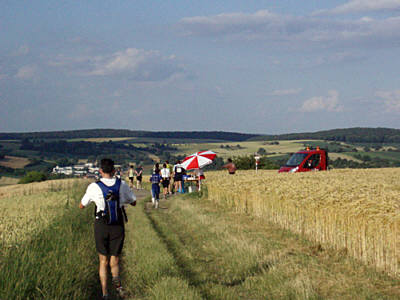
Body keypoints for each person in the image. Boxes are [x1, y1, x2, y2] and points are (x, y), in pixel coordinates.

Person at [79, 158, 136, 300]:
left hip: (101, 225)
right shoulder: (122, 184)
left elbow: (82, 205)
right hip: (117, 224)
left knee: (103, 260)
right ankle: (118, 287)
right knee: (115, 259)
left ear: (100, 171)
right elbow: (133, 201)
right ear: (114, 170)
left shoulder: (94, 187)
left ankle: (105, 293)